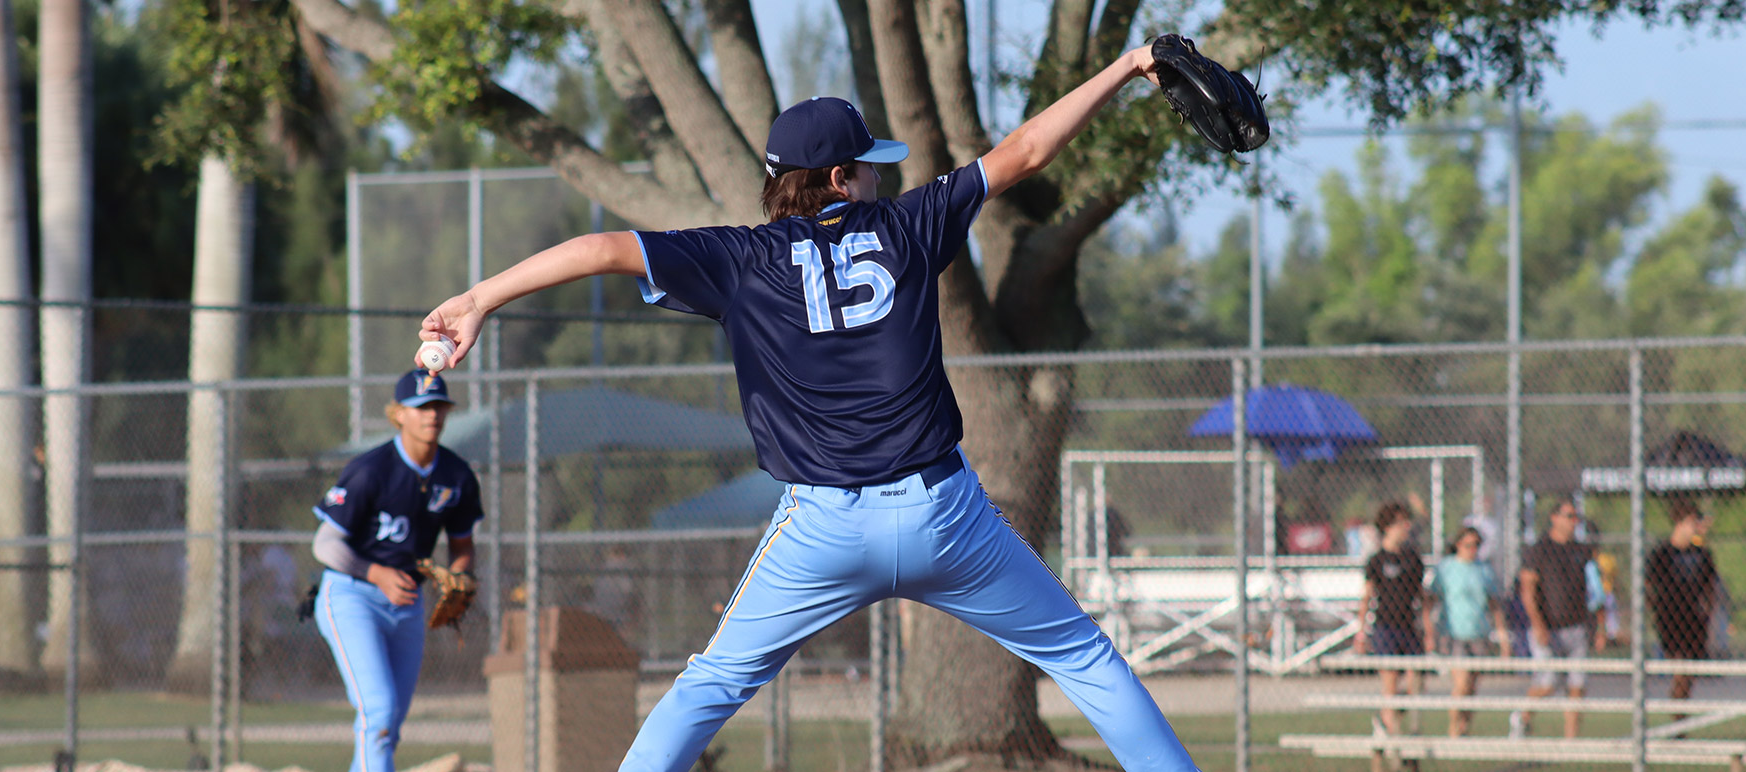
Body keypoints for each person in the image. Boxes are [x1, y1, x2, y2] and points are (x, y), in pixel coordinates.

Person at [415, 44, 1201, 772]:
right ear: (835, 180)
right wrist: (1129, 67)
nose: (879, 179)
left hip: (824, 531)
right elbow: (1026, 151)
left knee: (709, 685)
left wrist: (480, 298)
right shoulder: (908, 226)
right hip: (945, 518)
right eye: (868, 168)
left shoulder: (740, 258)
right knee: (1085, 659)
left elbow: (603, 249)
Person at [308, 369, 482, 772]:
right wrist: (377, 574)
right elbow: (325, 544)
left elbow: (462, 545)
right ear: (398, 414)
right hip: (352, 595)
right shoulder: (371, 470)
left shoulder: (455, 475)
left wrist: (459, 578)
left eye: (438, 406)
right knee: (379, 711)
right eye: (420, 407)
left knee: (387, 727)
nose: (431, 415)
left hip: (407, 604)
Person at [1511, 498, 1606, 739]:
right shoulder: (1539, 549)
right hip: (1548, 627)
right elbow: (1527, 590)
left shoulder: (1582, 551)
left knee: (1577, 686)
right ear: (1554, 517)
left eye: (1576, 517)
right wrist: (1537, 624)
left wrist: (1599, 627)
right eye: (1569, 516)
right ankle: (1521, 716)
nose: (1574, 522)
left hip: (1576, 627)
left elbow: (1596, 591)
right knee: (1548, 682)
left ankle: (1571, 740)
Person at [1352, 499, 1432, 737]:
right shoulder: (1376, 561)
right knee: (1390, 686)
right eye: (1400, 523)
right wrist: (1361, 631)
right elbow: (1366, 598)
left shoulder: (1413, 558)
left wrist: (1429, 632)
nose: (1406, 526)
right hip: (1385, 628)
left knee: (1416, 684)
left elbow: (1422, 598)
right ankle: (1395, 746)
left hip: (1409, 627)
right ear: (1387, 526)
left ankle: (1385, 720)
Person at [1428, 526, 1511, 737]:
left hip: (1479, 633)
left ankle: (1464, 726)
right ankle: (1454, 728)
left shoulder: (1484, 570)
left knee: (1472, 688)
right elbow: (1431, 598)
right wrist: (1429, 630)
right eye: (1468, 545)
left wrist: (1502, 638)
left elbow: (1494, 606)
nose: (1472, 549)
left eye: (1476, 545)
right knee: (1462, 684)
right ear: (1458, 545)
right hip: (1453, 633)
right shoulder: (1446, 568)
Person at [1643, 498, 1719, 718]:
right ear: (1681, 521)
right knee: (1681, 671)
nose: (1696, 526)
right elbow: (1648, 585)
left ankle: (1679, 716)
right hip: (1670, 618)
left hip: (1694, 618)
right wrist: (1654, 609)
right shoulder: (1663, 553)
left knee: (1688, 675)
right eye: (1693, 521)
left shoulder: (1702, 554)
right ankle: (1678, 719)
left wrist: (1709, 614)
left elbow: (1710, 587)